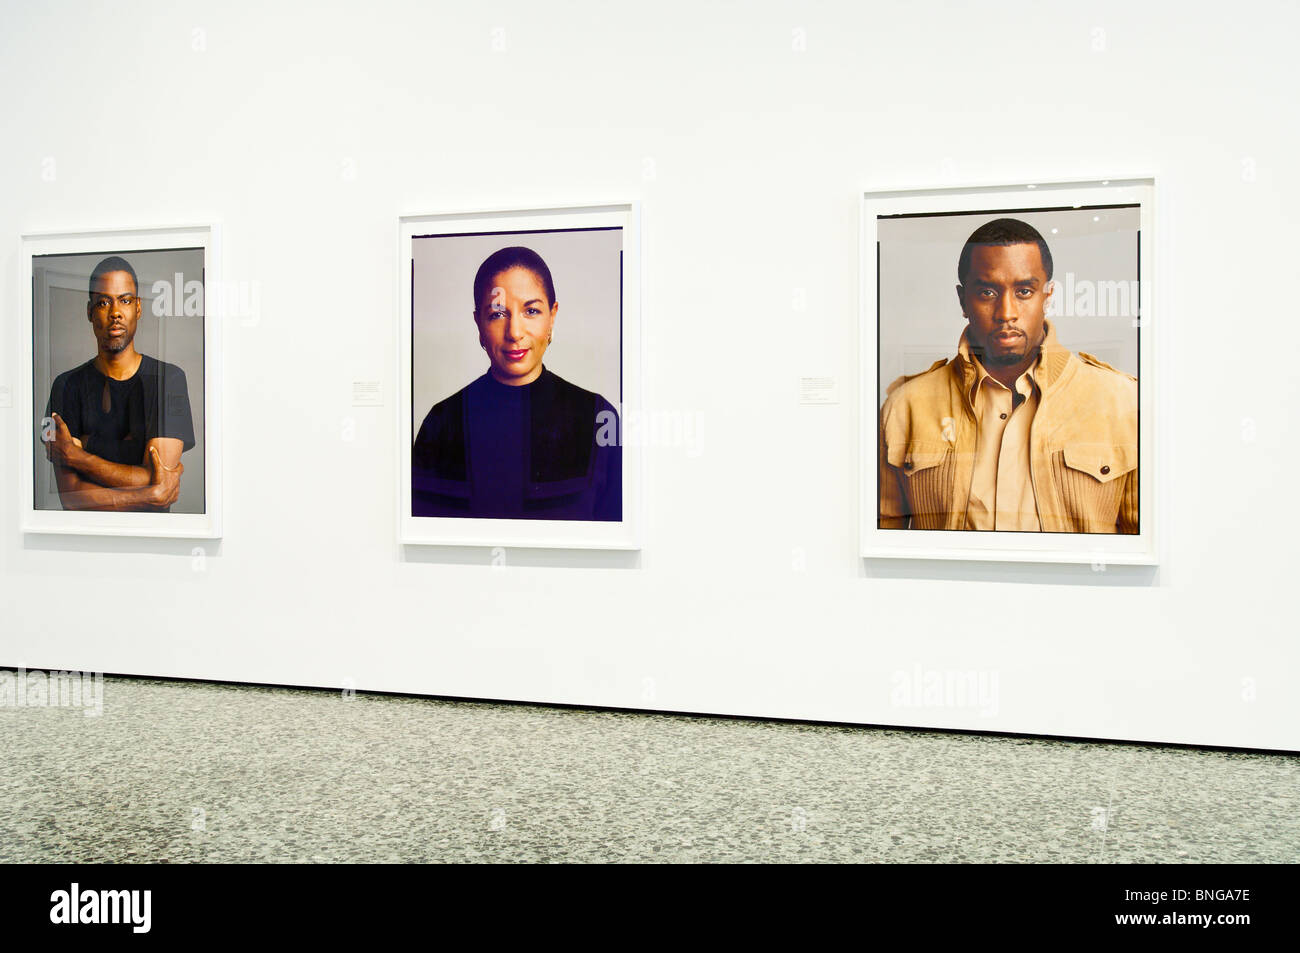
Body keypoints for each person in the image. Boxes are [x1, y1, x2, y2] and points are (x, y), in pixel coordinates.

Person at [879, 218, 1138, 533]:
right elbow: (886, 543)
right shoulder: (906, 406)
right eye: (987, 291)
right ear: (963, 300)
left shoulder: (1122, 402)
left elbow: (1140, 543)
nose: (1006, 312)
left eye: (1024, 291)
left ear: (1048, 296)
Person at [412, 245, 621, 520]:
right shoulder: (441, 423)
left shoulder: (598, 417)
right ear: (478, 323)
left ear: (552, 315)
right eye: (497, 314)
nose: (514, 332)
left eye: (531, 311)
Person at [42, 255, 196, 512]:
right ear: (90, 312)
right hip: (81, 545)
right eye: (104, 302)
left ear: (138, 308)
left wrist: (78, 455)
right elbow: (72, 497)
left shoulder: (168, 380)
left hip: (155, 544)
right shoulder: (66, 386)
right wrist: (149, 495)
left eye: (125, 300)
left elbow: (160, 478)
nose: (115, 312)